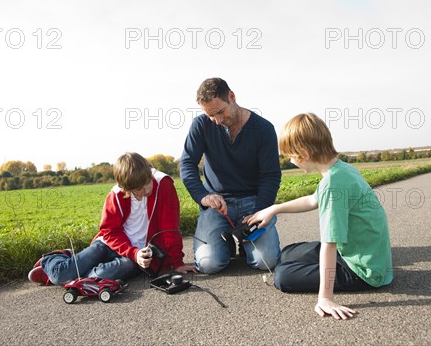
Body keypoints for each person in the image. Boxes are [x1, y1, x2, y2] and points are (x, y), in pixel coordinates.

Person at [245, 113, 393, 320]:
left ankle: (323, 286)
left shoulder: (333, 184)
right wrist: (274, 209)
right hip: (357, 252)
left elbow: (330, 243)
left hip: (363, 271)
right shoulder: (341, 170)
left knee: (282, 276)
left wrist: (325, 297)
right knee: (287, 253)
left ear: (304, 153)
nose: (290, 160)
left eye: (291, 155)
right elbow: (312, 200)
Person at [28, 152, 196, 286]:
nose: (146, 190)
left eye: (147, 183)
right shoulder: (116, 195)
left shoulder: (163, 184)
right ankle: (53, 260)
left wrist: (177, 262)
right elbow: (109, 232)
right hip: (109, 244)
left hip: (137, 257)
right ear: (126, 188)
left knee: (107, 274)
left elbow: (170, 228)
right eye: (139, 189)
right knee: (60, 276)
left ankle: (72, 277)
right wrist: (132, 251)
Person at [180, 78, 281, 274]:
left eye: (220, 112)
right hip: (217, 203)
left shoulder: (264, 129)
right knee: (209, 264)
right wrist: (203, 196)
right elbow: (186, 164)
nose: (217, 120)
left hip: (253, 201)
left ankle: (245, 244)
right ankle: (226, 242)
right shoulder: (200, 125)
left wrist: (260, 211)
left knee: (266, 262)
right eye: (211, 115)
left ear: (232, 97)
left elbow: (270, 176)